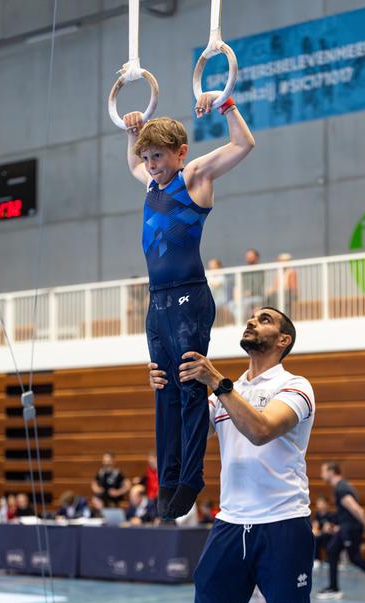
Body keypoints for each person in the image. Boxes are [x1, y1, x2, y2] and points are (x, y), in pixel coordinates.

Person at [124, 91, 255, 520]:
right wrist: (133, 132)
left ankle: (191, 476)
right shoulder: (150, 182)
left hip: (188, 296)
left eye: (159, 157)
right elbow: (132, 162)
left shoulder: (194, 175)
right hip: (157, 301)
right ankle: (169, 476)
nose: (151, 165)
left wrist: (225, 104)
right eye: (148, 158)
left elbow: (242, 145)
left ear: (181, 153)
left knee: (188, 382)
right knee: (163, 386)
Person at [150, 306, 315, 603]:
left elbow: (261, 430)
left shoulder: (296, 387)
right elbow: (186, 438)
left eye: (265, 319)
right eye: (252, 317)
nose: (252, 321)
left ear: (284, 340)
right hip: (229, 527)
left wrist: (215, 382)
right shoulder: (227, 394)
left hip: (283, 525)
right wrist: (164, 390)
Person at [317, 461, 365, 600]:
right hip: (345, 528)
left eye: (323, 471)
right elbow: (345, 511)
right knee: (332, 550)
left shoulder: (341, 488)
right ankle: (333, 588)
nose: (321, 475)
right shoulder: (341, 487)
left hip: (351, 529)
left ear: (331, 471)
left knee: (355, 558)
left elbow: (355, 508)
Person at [266, 253, 298, 318]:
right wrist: (272, 289)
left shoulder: (291, 272)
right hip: (279, 293)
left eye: (283, 261)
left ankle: (284, 317)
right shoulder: (279, 272)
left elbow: (292, 287)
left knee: (281, 298)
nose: (281, 262)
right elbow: (275, 285)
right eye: (280, 261)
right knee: (269, 297)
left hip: (289, 293)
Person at [312, 495, 336, 564]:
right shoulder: (317, 515)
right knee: (314, 538)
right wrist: (315, 532)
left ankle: (329, 559)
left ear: (327, 504)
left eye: (321, 503)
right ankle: (316, 559)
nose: (319, 505)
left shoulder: (331, 515)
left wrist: (319, 532)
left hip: (330, 535)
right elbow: (315, 526)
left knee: (325, 536)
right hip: (320, 535)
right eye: (318, 503)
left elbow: (327, 529)